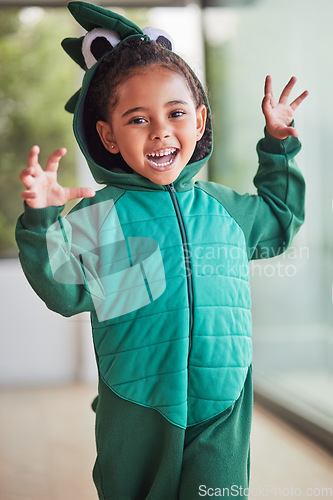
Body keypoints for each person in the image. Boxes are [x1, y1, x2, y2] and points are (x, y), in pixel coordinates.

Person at [15, 2, 308, 499]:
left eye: (175, 114)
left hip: (223, 399)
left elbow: (279, 220)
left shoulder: (225, 210)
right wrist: (42, 219)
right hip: (136, 402)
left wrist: (277, 145)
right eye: (137, 119)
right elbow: (63, 290)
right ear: (106, 135)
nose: (160, 131)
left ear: (198, 122)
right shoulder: (101, 216)